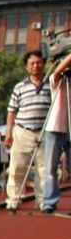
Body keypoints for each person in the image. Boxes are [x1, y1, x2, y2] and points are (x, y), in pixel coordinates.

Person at [3, 51, 51, 214]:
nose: (36, 66)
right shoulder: (20, 87)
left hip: (44, 131)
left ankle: (42, 201)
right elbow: (12, 111)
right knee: (17, 167)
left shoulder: (51, 84)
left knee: (43, 169)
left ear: (44, 64)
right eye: (32, 63)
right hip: (23, 131)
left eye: (39, 63)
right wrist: (9, 133)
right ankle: (13, 200)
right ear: (27, 67)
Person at [41, 52, 71, 214]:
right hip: (55, 128)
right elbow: (58, 71)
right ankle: (49, 202)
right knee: (51, 168)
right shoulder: (57, 81)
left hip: (70, 130)